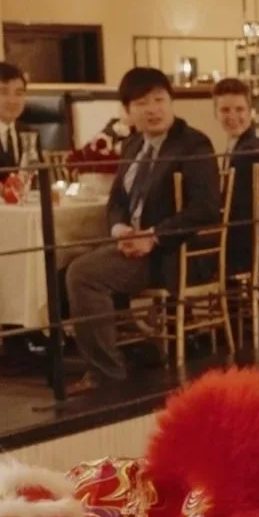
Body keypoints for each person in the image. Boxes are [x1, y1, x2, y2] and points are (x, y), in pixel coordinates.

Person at [61, 67, 218, 391]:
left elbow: (205, 208)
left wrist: (154, 236)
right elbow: (117, 198)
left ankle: (107, 375)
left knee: (83, 274)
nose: (153, 109)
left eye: (159, 100)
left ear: (171, 102)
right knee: (64, 260)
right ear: (128, 111)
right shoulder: (133, 145)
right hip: (133, 245)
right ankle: (127, 350)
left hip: (174, 252)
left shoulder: (193, 144)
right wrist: (118, 227)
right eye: (142, 103)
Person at [214, 78, 259, 317]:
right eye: (225, 110)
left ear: (250, 112)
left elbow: (233, 209)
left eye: (239, 109)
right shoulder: (247, 145)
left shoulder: (249, 152)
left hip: (243, 244)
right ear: (215, 113)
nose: (233, 116)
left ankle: (223, 324)